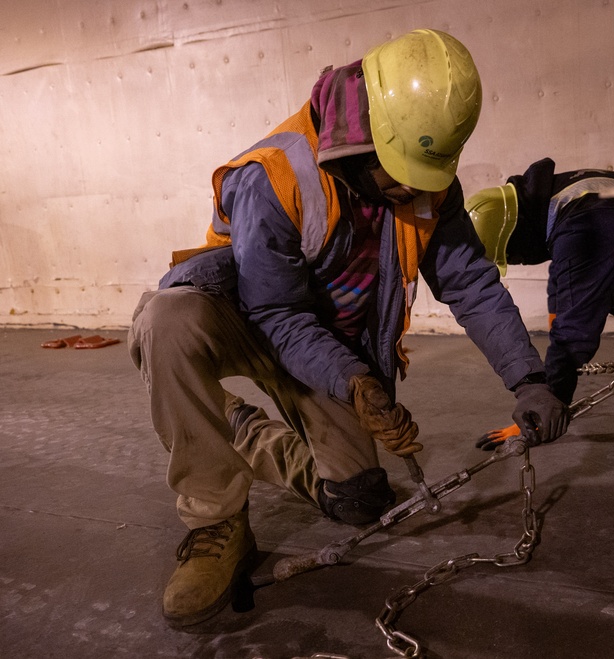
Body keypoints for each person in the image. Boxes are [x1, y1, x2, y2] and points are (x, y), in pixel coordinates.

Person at [127, 29, 568, 629]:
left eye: (426, 174)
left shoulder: (425, 178)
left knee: (360, 501)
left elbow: (468, 282)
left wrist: (528, 378)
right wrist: (355, 382)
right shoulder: (276, 175)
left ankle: (241, 428)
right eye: (402, 174)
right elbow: (276, 314)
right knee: (166, 321)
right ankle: (216, 522)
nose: (415, 189)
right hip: (249, 318)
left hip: (330, 346)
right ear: (367, 137)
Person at [465, 158, 614, 449]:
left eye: (514, 255)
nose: (520, 260)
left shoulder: (582, 225)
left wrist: (546, 406)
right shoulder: (566, 192)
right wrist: (554, 316)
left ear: (517, 233)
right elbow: (560, 272)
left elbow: (574, 333)